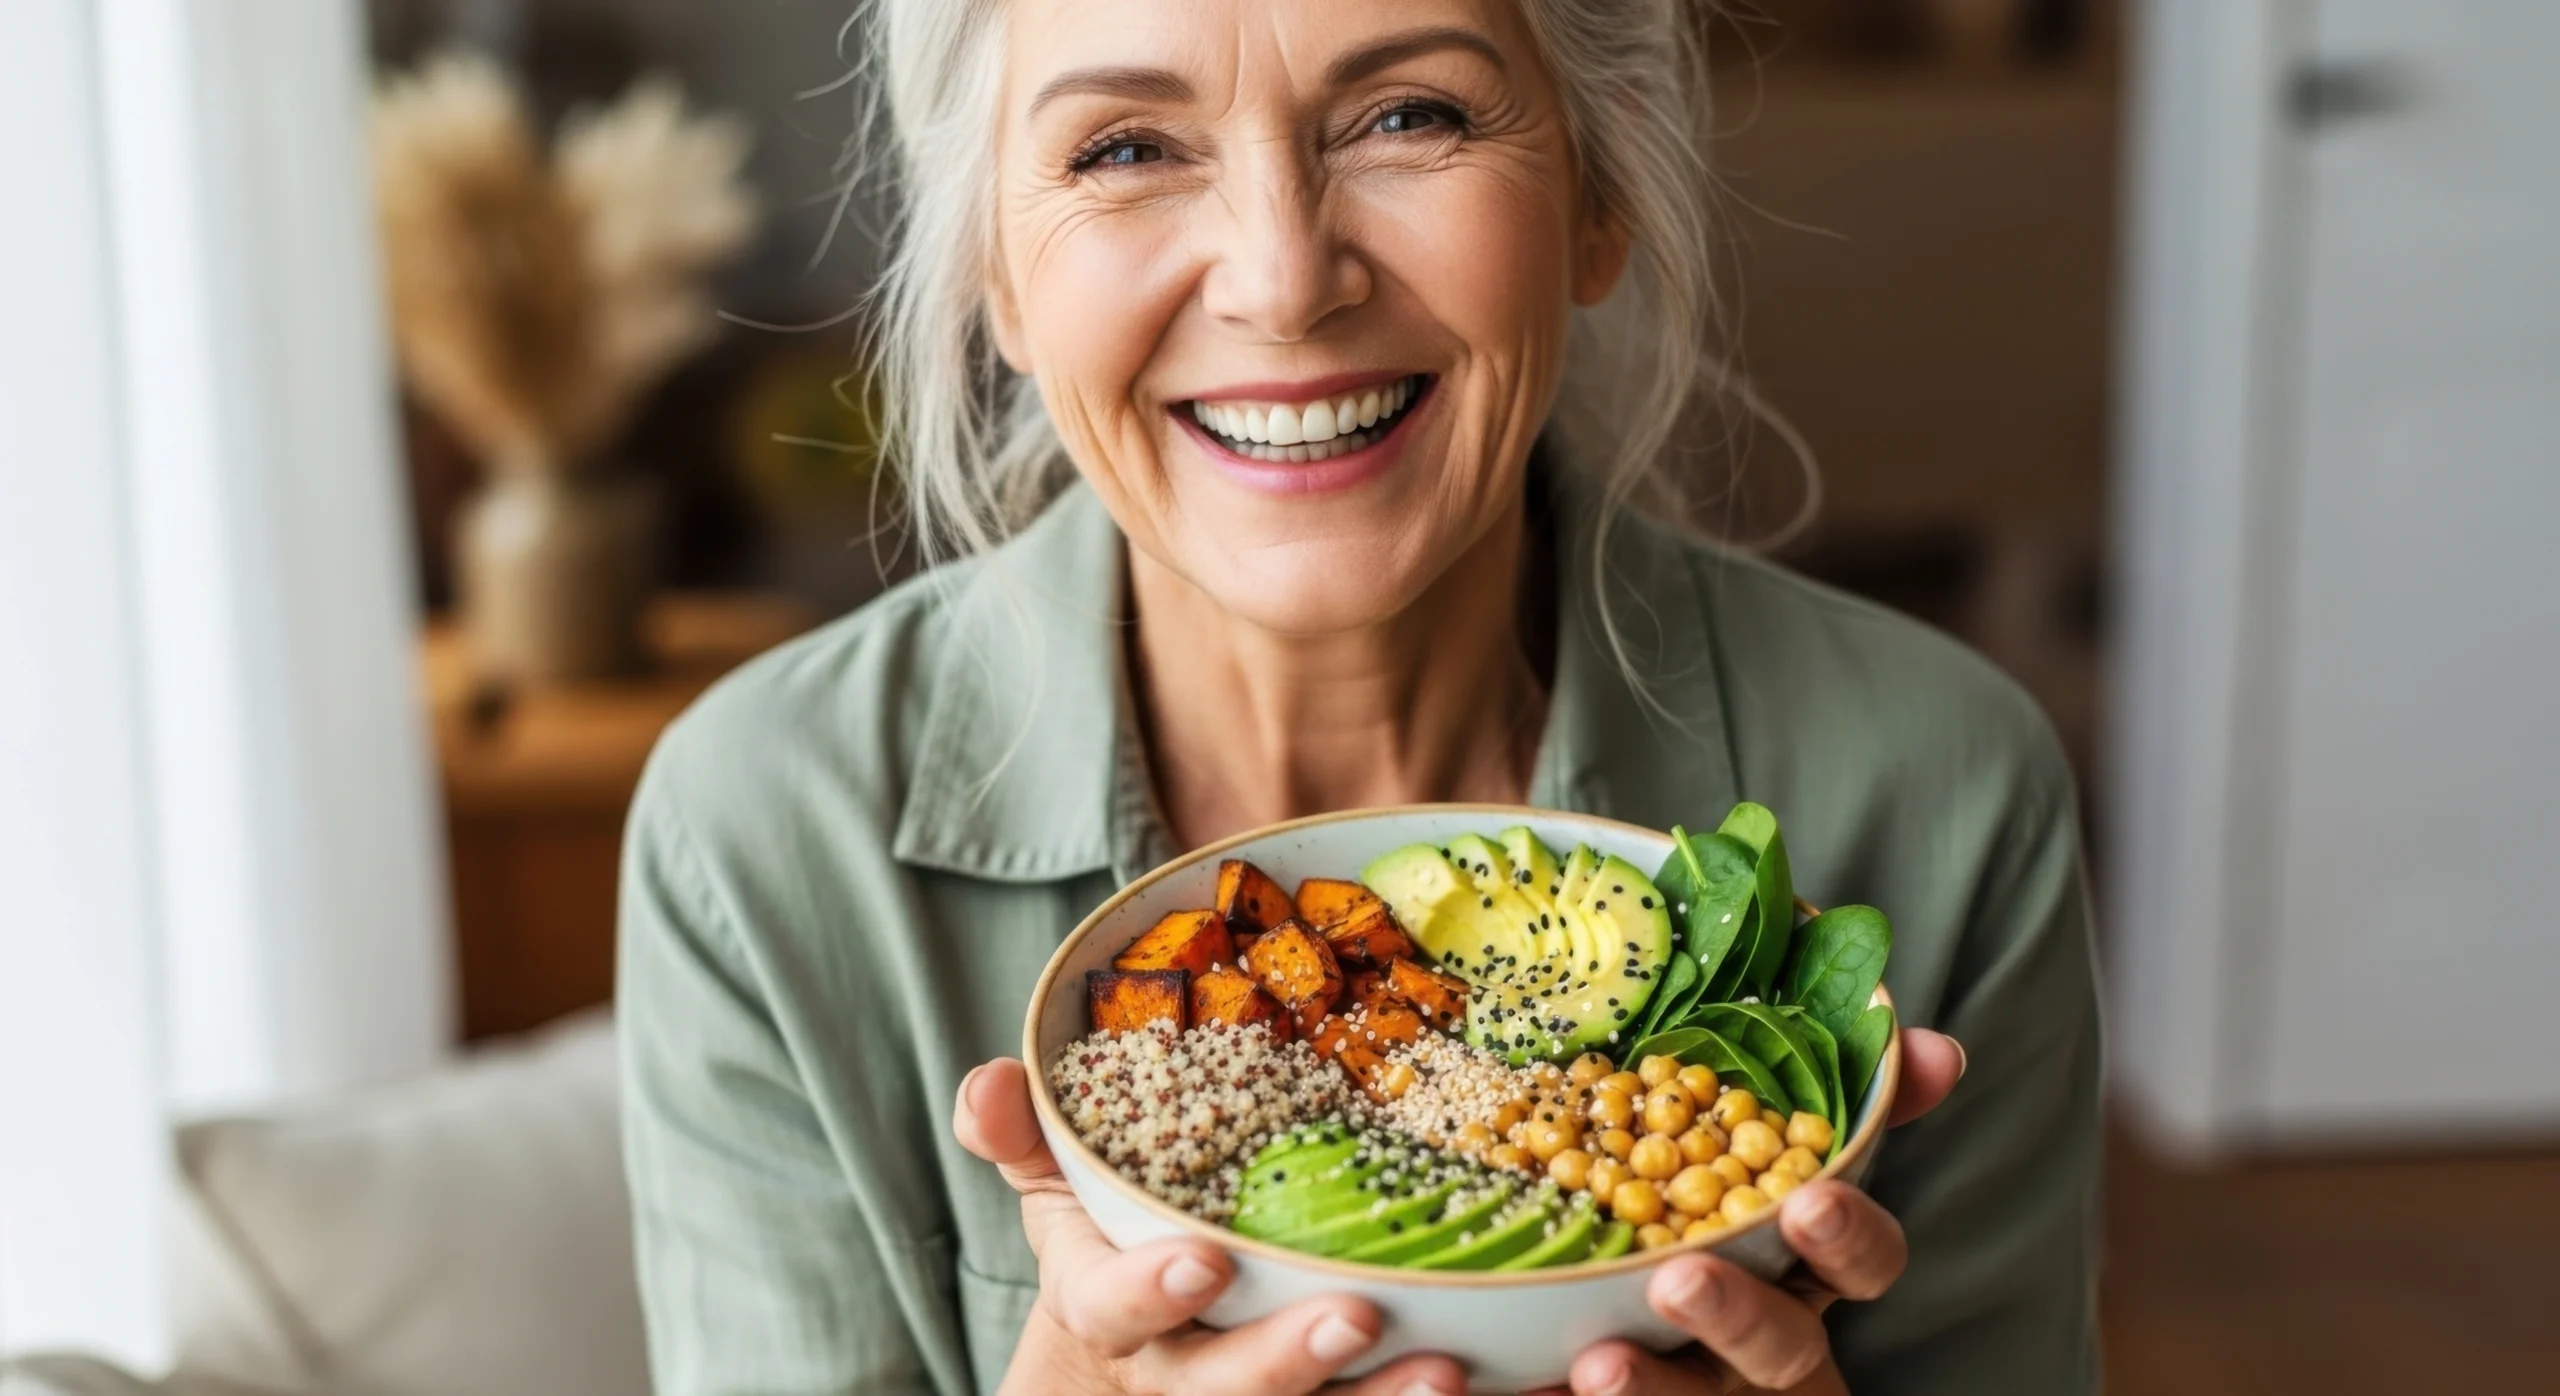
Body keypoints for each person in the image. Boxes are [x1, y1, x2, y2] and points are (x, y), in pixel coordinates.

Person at [617, 1, 2102, 1392]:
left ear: (1599, 193)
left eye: (1409, 117)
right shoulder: (757, 831)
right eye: (1126, 148)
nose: (1281, 279)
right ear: (998, 271)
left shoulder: (1948, 785)